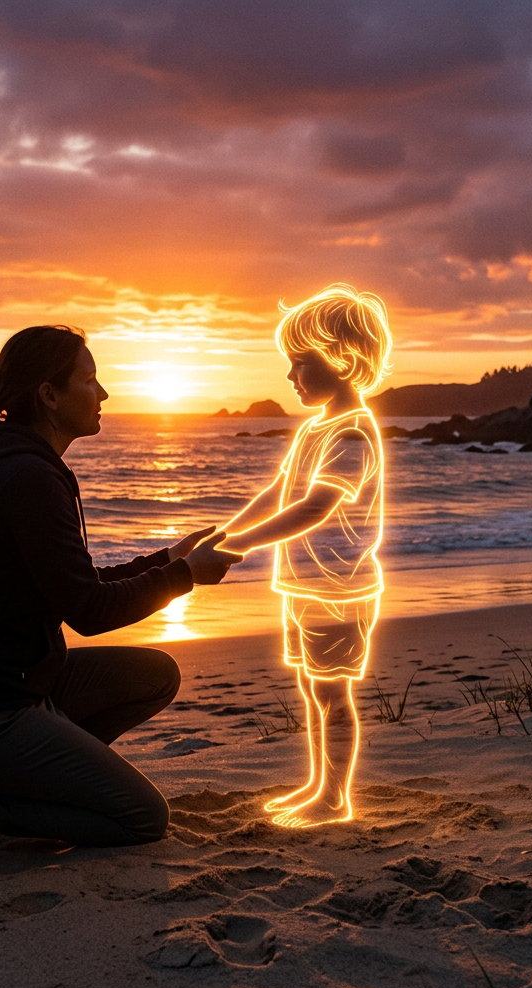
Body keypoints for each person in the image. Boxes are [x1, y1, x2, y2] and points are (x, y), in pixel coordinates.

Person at [0, 325, 241, 862]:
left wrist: (168, 561)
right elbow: (88, 611)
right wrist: (184, 577)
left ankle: (40, 775)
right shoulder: (26, 477)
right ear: (49, 395)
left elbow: (75, 584)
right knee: (142, 818)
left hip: (16, 683)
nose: (104, 393)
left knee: (156, 675)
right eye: (90, 380)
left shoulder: (29, 467)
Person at [219, 284, 392, 827]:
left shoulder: (353, 433)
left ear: (341, 360)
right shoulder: (316, 430)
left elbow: (315, 507)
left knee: (333, 693)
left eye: (299, 363)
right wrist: (223, 534)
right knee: (315, 689)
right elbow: (278, 493)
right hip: (304, 586)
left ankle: (335, 797)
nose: (291, 377)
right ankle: (320, 785)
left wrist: (244, 545)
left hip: (337, 588)